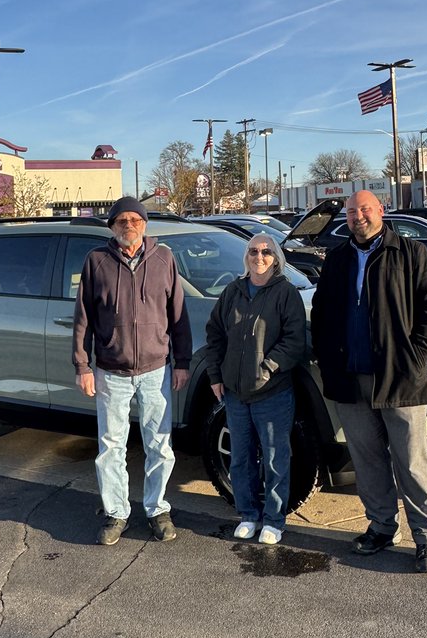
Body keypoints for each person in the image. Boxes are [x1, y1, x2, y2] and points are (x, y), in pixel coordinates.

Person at [310, 190, 427, 573]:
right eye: (352, 212)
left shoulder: (408, 253)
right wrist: (325, 355)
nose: (358, 217)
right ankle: (382, 526)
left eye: (364, 209)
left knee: (411, 460)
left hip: (400, 377)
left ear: (380, 211)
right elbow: (321, 312)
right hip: (350, 378)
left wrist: (418, 355)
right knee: (367, 460)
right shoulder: (337, 259)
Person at [73, 197, 192, 546]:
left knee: (160, 444)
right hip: (111, 369)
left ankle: (157, 509)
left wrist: (181, 362)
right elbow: (83, 319)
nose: (129, 225)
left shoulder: (164, 258)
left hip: (156, 369)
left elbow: (179, 315)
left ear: (145, 224)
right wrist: (83, 365)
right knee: (111, 446)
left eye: (135, 220)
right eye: (122, 220)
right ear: (112, 226)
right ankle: (116, 512)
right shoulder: (96, 261)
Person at [205, 232, 307, 545]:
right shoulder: (233, 291)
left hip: (272, 393)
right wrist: (215, 375)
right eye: (253, 251)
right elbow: (215, 334)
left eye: (266, 252)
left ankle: (274, 520)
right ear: (246, 256)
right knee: (241, 458)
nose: (258, 257)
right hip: (235, 394)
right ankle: (248, 514)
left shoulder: (286, 293)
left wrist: (267, 369)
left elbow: (294, 341)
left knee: (276, 459)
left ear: (276, 258)